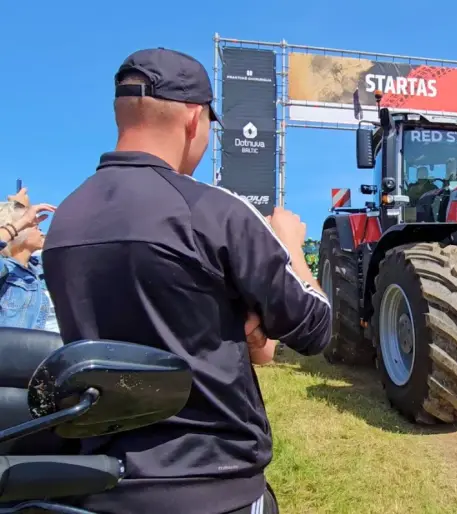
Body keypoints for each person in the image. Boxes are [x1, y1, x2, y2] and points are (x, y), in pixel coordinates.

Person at [42, 48, 331, 514]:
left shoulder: (65, 222)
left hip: (99, 486)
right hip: (214, 486)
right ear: (195, 119)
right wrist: (291, 245)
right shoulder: (213, 212)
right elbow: (314, 328)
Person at [0, 199, 57, 329]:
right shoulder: (5, 269)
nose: (41, 231)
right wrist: (23, 221)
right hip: (12, 343)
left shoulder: (41, 269)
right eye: (35, 226)